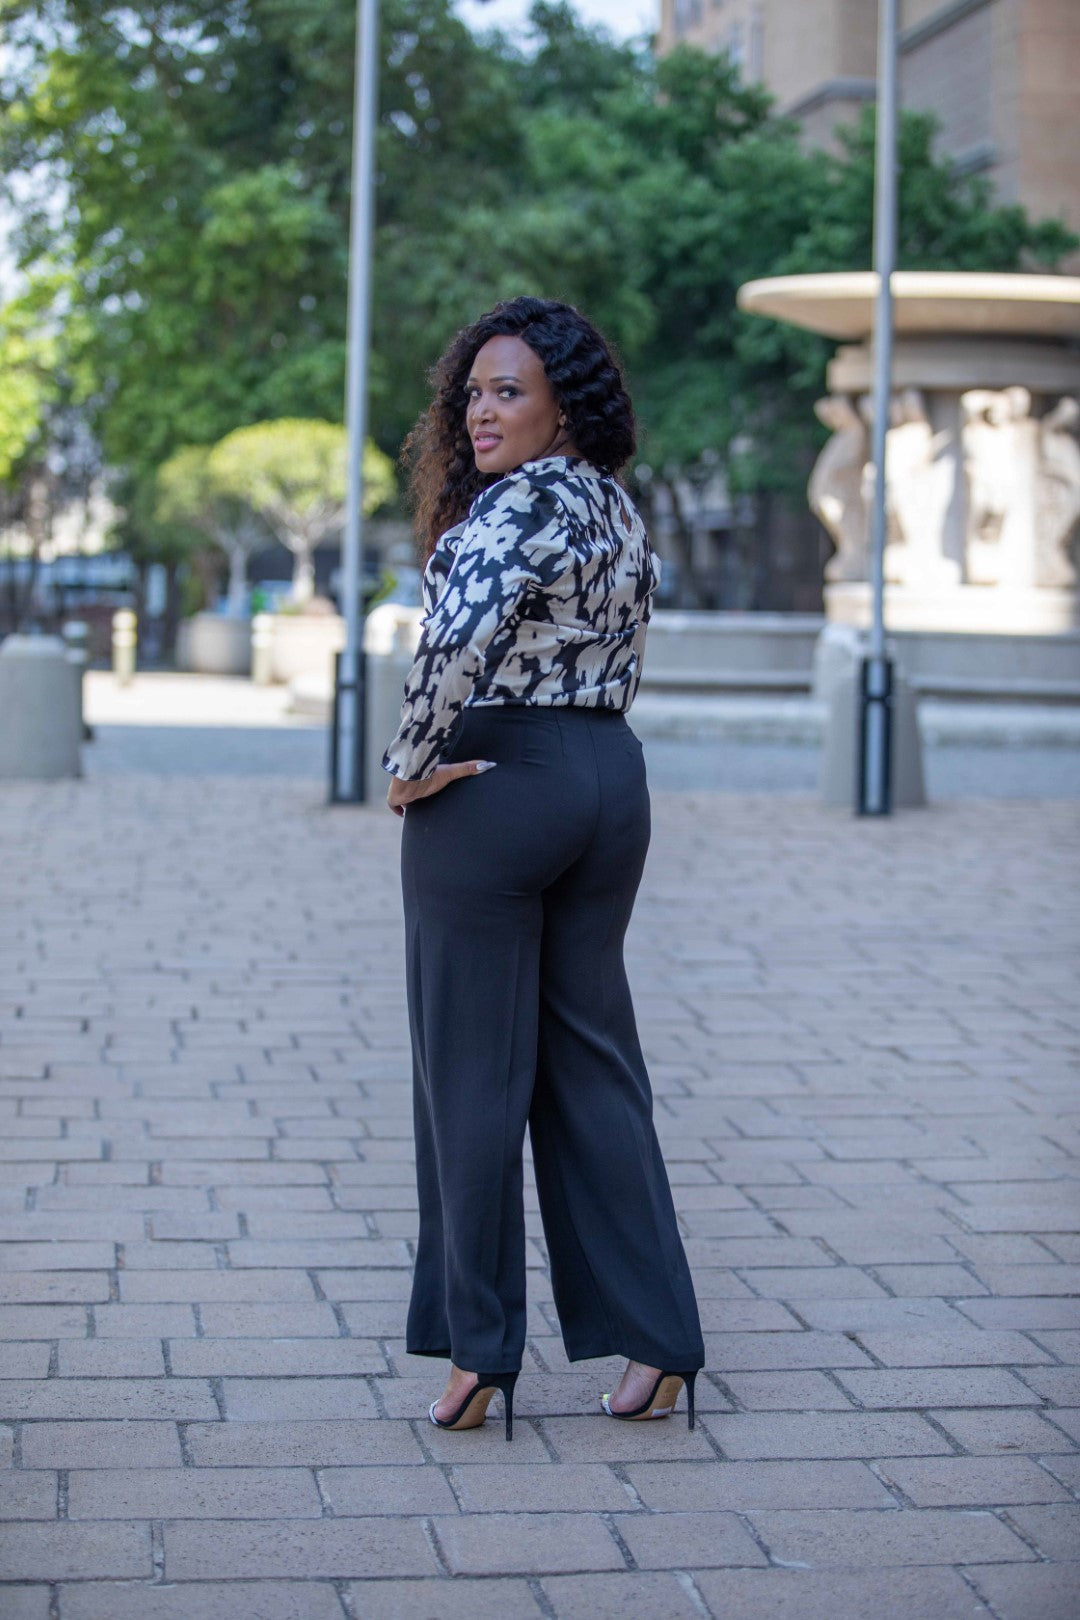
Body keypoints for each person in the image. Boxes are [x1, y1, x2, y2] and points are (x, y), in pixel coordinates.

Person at [382, 295, 704, 1441]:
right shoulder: (615, 505)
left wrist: (409, 764)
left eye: (508, 390)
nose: (480, 409)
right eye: (472, 390)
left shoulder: (513, 508)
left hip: (500, 785)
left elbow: (455, 643)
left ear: (564, 403)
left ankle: (480, 1357)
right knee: (594, 1069)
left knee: (471, 1077)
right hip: (609, 780)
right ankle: (661, 1344)